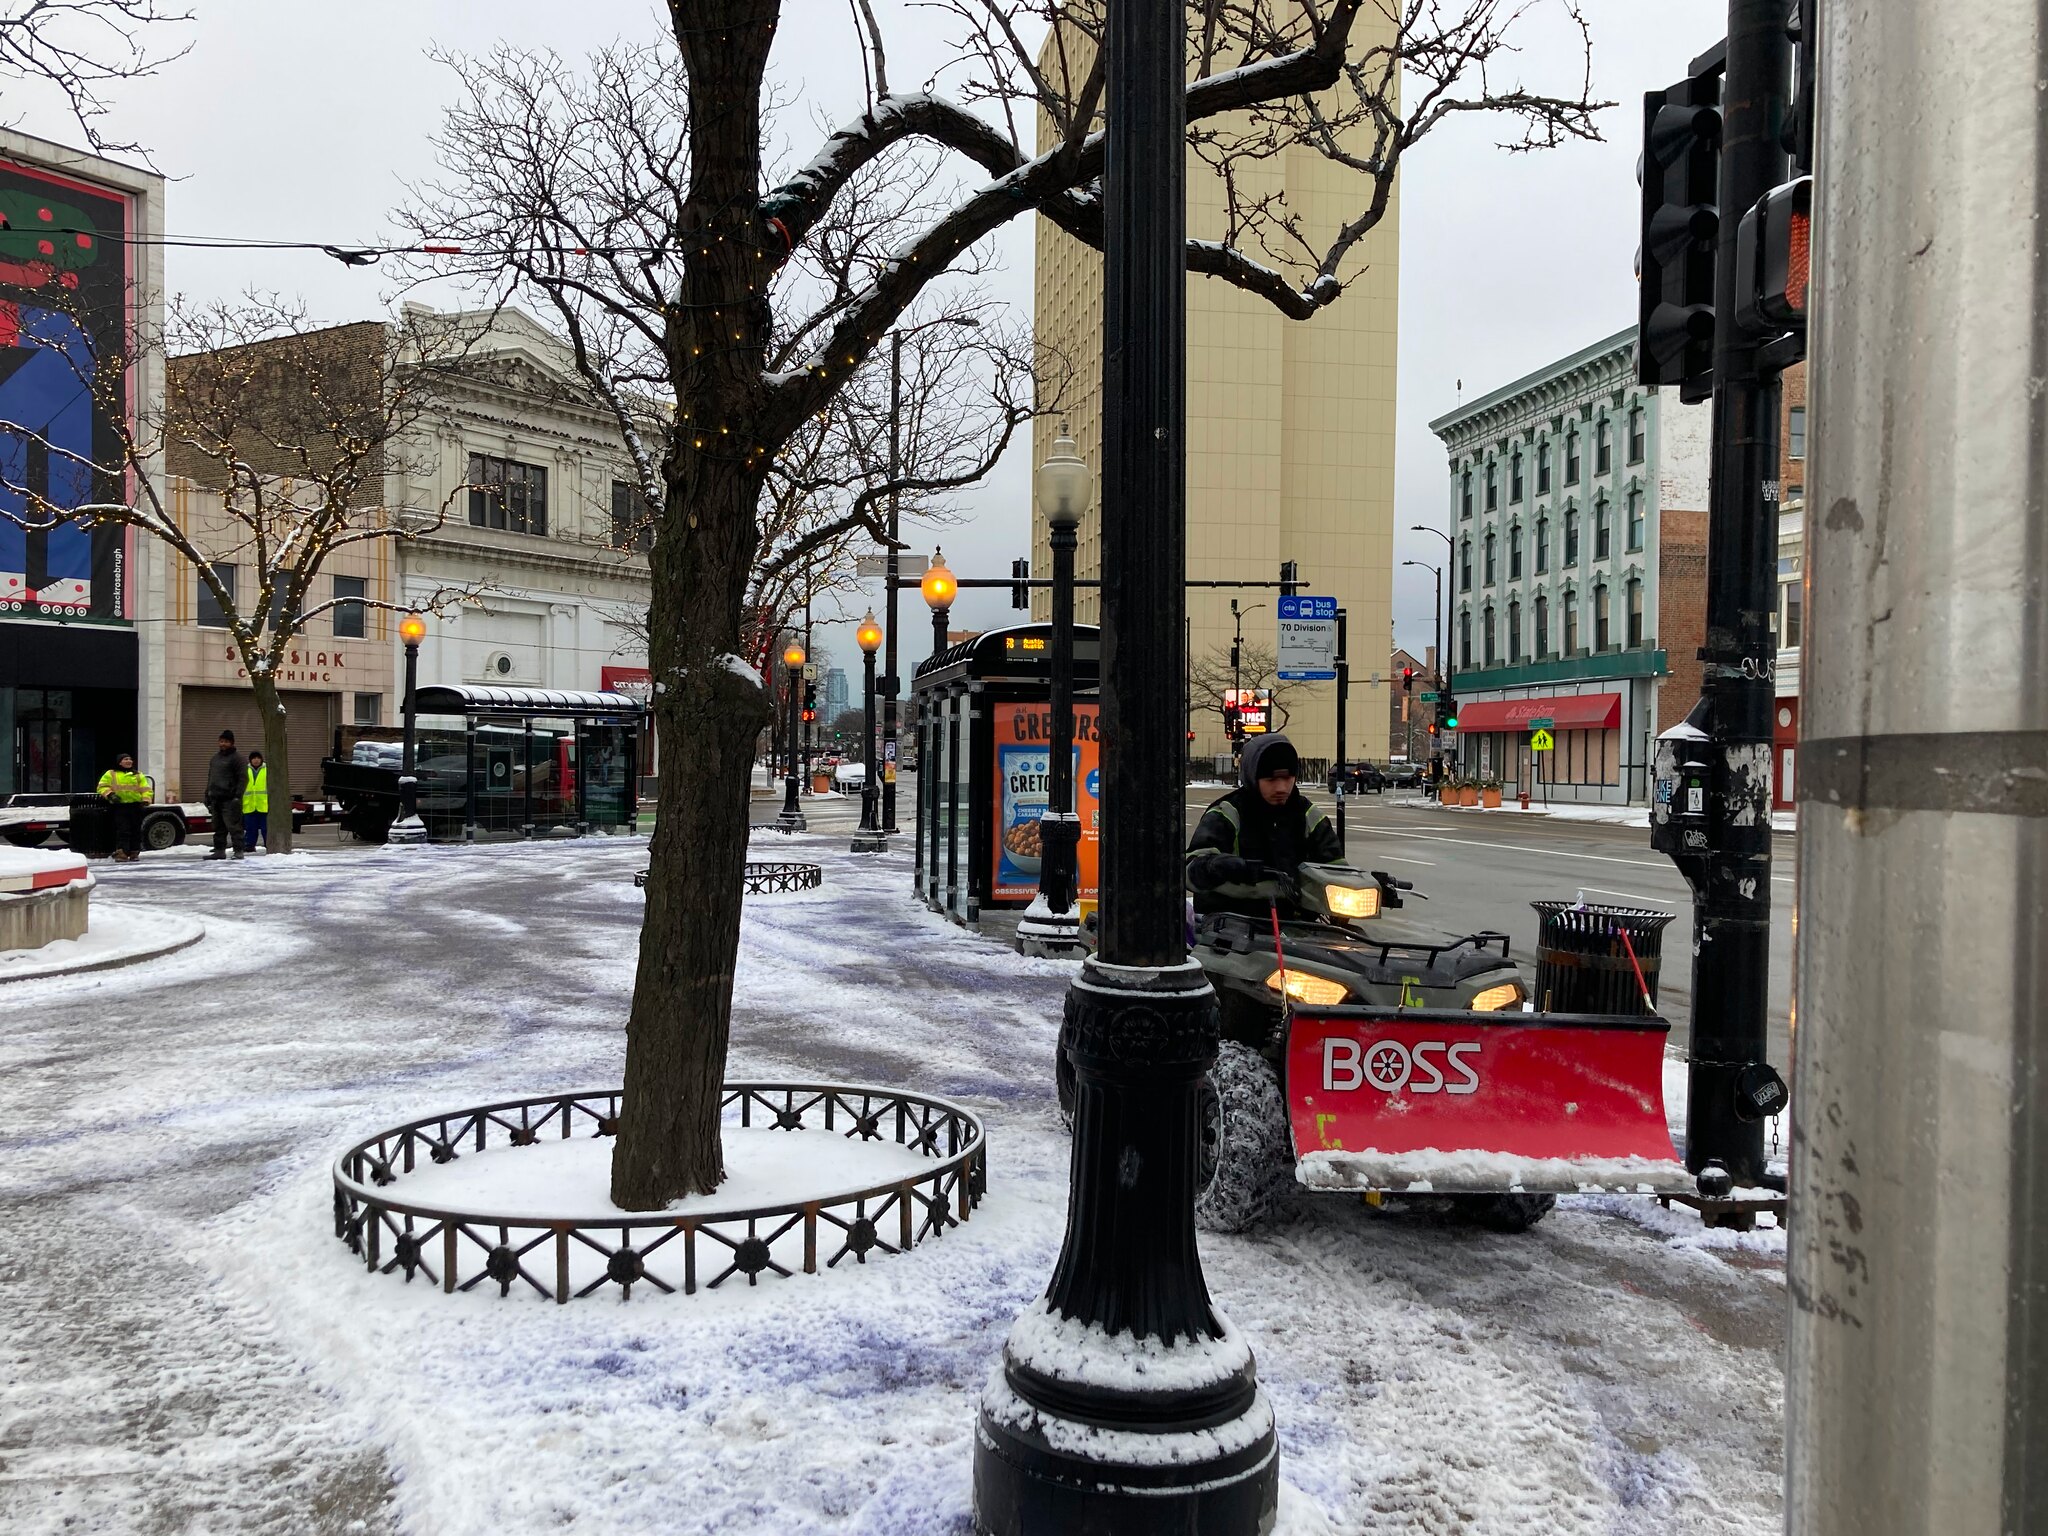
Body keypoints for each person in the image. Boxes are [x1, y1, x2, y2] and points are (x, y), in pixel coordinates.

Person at [1185, 733, 1343, 918]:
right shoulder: (1227, 813)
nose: (1281, 788)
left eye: (1288, 778)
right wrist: (1218, 866)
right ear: (1252, 776)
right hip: (1234, 926)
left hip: (1301, 927)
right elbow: (1191, 870)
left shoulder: (1309, 815)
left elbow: (1337, 868)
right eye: (1271, 780)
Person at [96, 752, 151, 862]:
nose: (129, 761)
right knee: (123, 830)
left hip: (135, 806)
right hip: (120, 807)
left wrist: (146, 800)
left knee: (136, 830)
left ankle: (134, 853)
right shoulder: (111, 773)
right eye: (125, 759)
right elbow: (102, 786)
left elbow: (146, 789)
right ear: (119, 762)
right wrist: (110, 795)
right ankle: (122, 853)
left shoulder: (138, 775)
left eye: (130, 759)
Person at [204, 730, 247, 861]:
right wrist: (207, 794)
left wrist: (237, 796)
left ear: (232, 743)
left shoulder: (237, 759)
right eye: (221, 741)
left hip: (230, 799)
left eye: (226, 742)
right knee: (218, 828)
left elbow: (243, 778)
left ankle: (238, 850)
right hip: (216, 798)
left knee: (234, 827)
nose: (223, 744)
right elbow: (210, 777)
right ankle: (219, 851)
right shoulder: (215, 759)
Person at [242, 749, 269, 854]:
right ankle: (249, 845)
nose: (256, 760)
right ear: (250, 760)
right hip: (249, 805)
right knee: (250, 829)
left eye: (258, 758)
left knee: (265, 829)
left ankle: (269, 844)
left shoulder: (267, 770)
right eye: (254, 758)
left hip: (264, 805)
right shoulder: (245, 770)